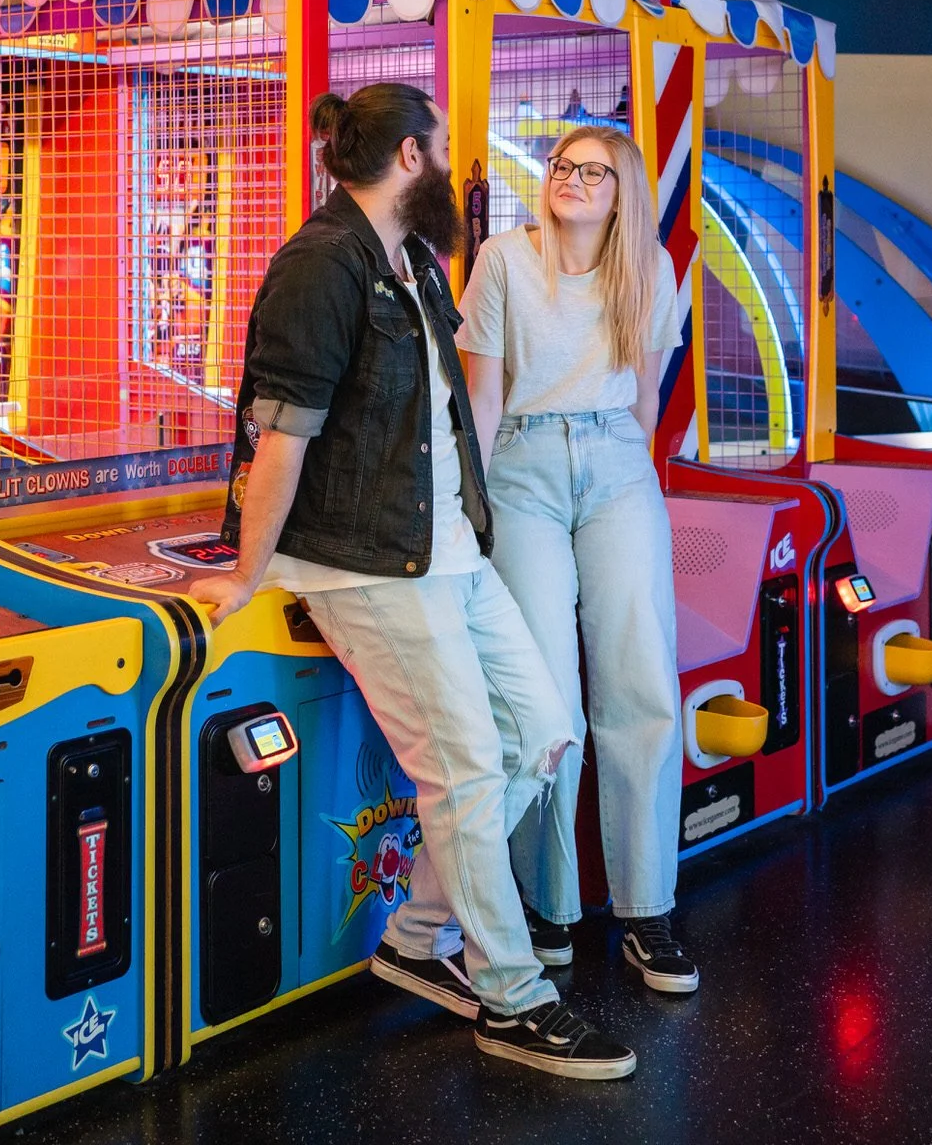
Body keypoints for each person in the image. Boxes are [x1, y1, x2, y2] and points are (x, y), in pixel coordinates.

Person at [189, 85, 636, 1081]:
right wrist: (246, 571)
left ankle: (415, 933)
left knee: (540, 728)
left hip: (444, 551)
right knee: (469, 768)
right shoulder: (320, 265)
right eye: (438, 150)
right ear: (406, 157)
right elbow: (281, 436)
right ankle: (513, 999)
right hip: (365, 563)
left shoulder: (415, 261)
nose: (451, 167)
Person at [458, 125, 699, 997]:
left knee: (641, 678)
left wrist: (618, 468)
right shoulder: (500, 262)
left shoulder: (649, 271)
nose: (573, 179)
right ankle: (550, 904)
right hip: (520, 464)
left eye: (595, 171)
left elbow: (643, 396)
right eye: (564, 165)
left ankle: (645, 908)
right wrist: (467, 508)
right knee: (545, 691)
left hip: (615, 465)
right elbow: (480, 398)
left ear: (622, 191)